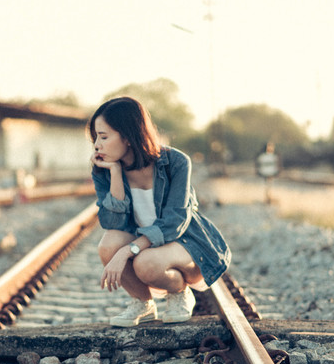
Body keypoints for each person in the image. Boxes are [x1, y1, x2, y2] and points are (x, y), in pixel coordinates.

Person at [88, 96, 231, 327]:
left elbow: (175, 222)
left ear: (128, 136)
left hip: (186, 244)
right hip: (148, 245)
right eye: (95, 138)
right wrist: (114, 173)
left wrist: (128, 251)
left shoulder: (176, 162)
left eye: (103, 137)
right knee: (107, 245)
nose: (97, 145)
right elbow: (111, 223)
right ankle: (143, 303)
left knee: (145, 263)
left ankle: (180, 292)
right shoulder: (103, 169)